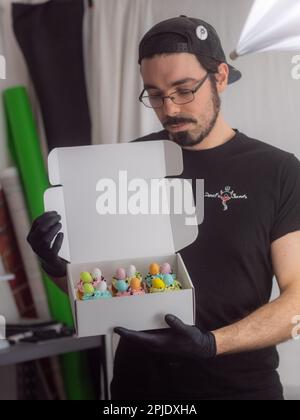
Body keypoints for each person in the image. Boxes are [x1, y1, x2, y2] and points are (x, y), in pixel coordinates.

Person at [27, 16, 300, 400]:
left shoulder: (278, 171)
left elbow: (296, 301)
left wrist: (211, 343)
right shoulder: (127, 163)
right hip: (138, 391)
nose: (169, 109)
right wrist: (56, 264)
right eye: (154, 94)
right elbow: (97, 289)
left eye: (184, 90)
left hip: (239, 389)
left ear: (220, 76)